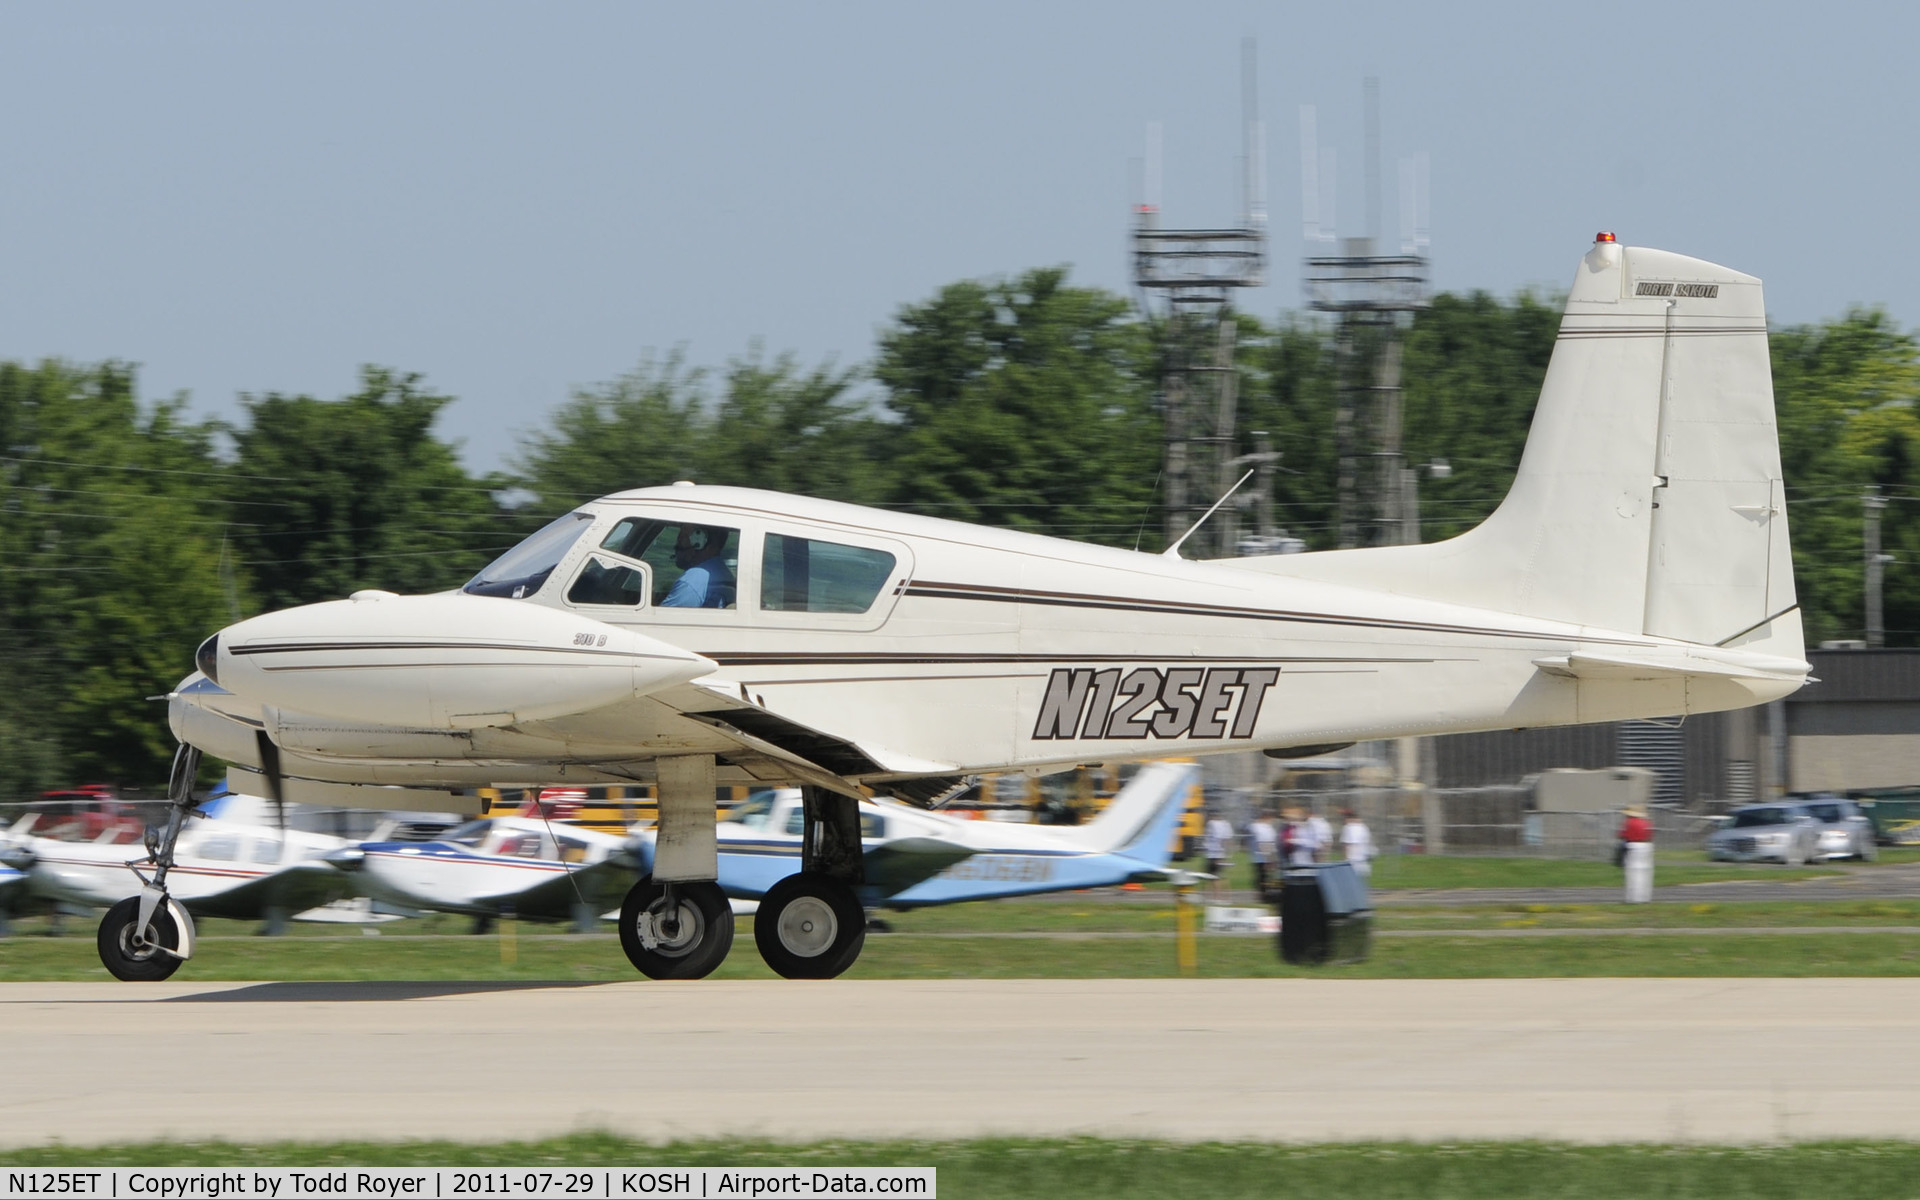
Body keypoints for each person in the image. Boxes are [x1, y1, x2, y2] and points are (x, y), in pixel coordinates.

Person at [660, 526, 735, 608]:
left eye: (683, 534)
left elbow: (662, 619)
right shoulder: (721, 572)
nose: (678, 540)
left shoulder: (693, 579)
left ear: (700, 541)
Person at [1619, 803, 1654, 903]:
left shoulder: (1628, 823)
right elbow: (1650, 835)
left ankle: (1633, 898)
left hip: (1633, 846)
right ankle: (1645, 897)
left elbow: (1622, 835)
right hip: (1646, 847)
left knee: (1633, 874)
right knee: (1645, 873)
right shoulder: (1646, 823)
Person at [1247, 810, 1279, 897]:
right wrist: (1268, 858)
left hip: (1269, 854)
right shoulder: (1257, 826)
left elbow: (1272, 841)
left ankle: (1270, 893)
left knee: (1271, 876)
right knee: (1262, 877)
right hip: (1261, 857)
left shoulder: (1268, 827)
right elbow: (1261, 842)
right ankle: (1263, 895)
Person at [1203, 812, 1234, 901]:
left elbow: (1220, 839)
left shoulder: (1213, 824)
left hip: (1214, 854)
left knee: (1213, 876)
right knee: (1221, 876)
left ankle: (1216, 897)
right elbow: (1227, 840)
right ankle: (1227, 896)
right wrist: (1226, 853)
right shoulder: (1225, 824)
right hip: (1220, 853)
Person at [1339, 809, 1375, 879]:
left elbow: (1346, 845)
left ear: (1348, 818)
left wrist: (1345, 859)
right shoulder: (1364, 827)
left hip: (1352, 860)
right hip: (1364, 859)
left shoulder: (1348, 827)